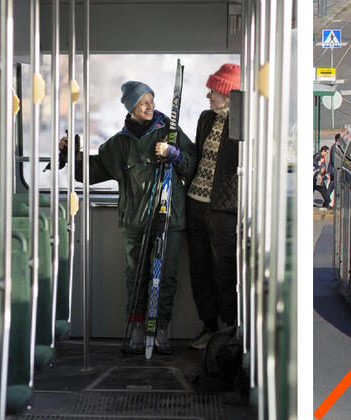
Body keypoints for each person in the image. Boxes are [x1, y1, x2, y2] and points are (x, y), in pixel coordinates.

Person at [59, 80, 196, 354]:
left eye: (151, 100)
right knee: (136, 277)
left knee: (165, 277)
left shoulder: (169, 132)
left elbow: (192, 165)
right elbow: (91, 172)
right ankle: (136, 328)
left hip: (169, 217)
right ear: (131, 107)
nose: (150, 106)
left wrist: (175, 154)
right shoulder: (120, 144)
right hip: (135, 220)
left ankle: (160, 330)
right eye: (143, 102)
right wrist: (72, 155)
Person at [187, 63, 241, 350]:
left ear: (228, 93)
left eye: (214, 91)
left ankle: (229, 330)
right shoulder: (206, 119)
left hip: (223, 210)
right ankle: (208, 326)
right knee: (199, 269)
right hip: (195, 202)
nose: (209, 95)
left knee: (224, 270)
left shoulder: (243, 123)